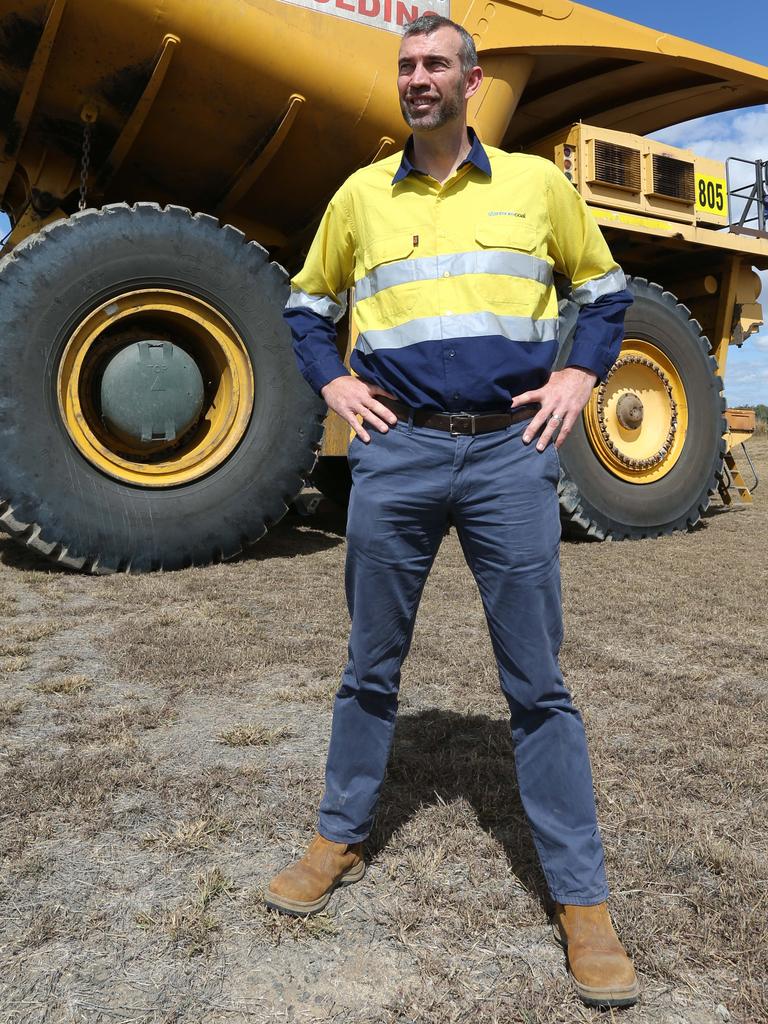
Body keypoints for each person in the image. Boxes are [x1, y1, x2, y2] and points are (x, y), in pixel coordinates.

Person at [267, 14, 638, 1009]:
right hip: (398, 451)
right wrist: (336, 389)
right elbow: (307, 312)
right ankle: (338, 838)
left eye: (435, 63)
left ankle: (582, 899)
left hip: (508, 456)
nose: (416, 77)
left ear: (472, 82)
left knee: (539, 680)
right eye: (406, 64)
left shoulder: (538, 187)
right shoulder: (359, 198)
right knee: (368, 665)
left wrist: (577, 379)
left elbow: (605, 291)